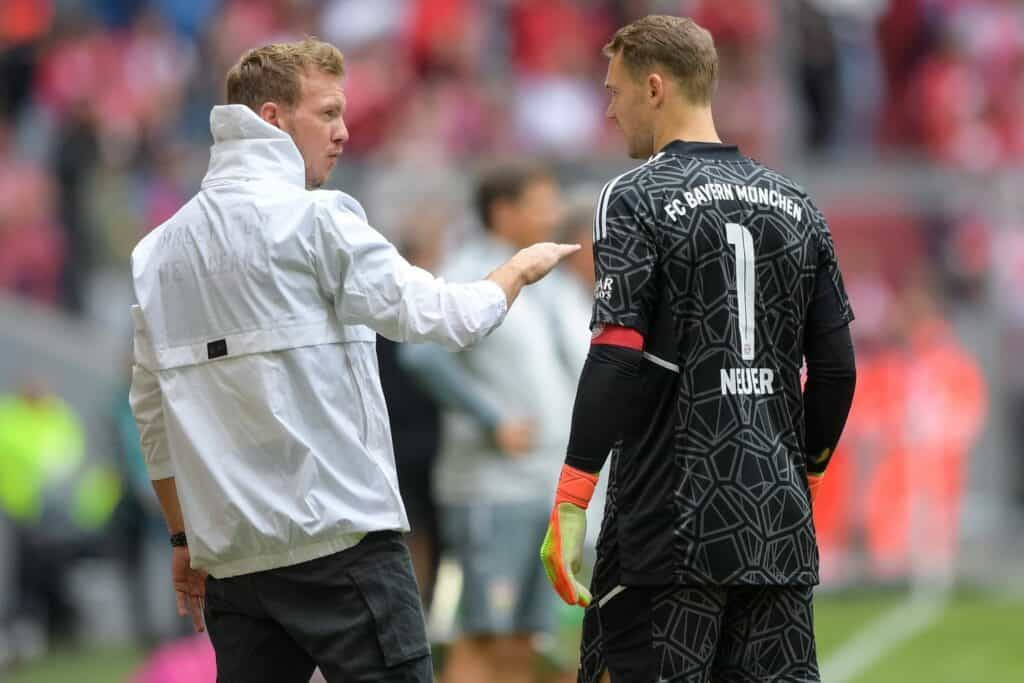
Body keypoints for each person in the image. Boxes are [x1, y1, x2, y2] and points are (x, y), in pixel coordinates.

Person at [128, 38, 578, 683]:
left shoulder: (156, 253)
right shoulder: (320, 220)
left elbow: (153, 415)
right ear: (273, 119)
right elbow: (447, 318)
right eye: (329, 113)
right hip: (344, 548)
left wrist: (181, 539)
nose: (344, 133)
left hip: (233, 562)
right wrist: (515, 271)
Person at [538, 16, 857, 683]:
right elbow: (835, 367)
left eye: (615, 89)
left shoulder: (634, 197)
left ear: (654, 87)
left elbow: (619, 350)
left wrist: (572, 495)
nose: (608, 106)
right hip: (775, 523)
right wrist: (807, 473)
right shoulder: (797, 203)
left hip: (668, 524)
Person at [400, 164, 580, 683]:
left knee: (523, 640)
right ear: (504, 211)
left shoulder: (551, 282)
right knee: (481, 635)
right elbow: (422, 356)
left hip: (544, 486)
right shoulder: (469, 271)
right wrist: (492, 419)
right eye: (542, 202)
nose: (553, 214)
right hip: (489, 489)